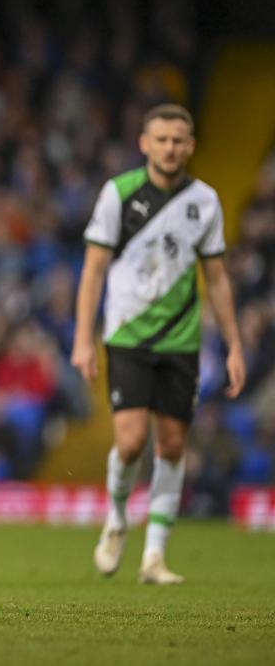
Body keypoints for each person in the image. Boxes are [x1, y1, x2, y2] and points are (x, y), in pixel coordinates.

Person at [72, 103, 245, 585]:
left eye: (179, 140)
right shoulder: (119, 194)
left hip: (183, 340)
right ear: (145, 143)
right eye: (162, 139)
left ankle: (154, 557)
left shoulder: (205, 200)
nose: (170, 148)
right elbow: (93, 270)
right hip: (127, 334)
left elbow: (216, 276)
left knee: (171, 445)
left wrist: (233, 345)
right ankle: (115, 520)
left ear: (190, 146)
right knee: (129, 444)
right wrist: (83, 337)